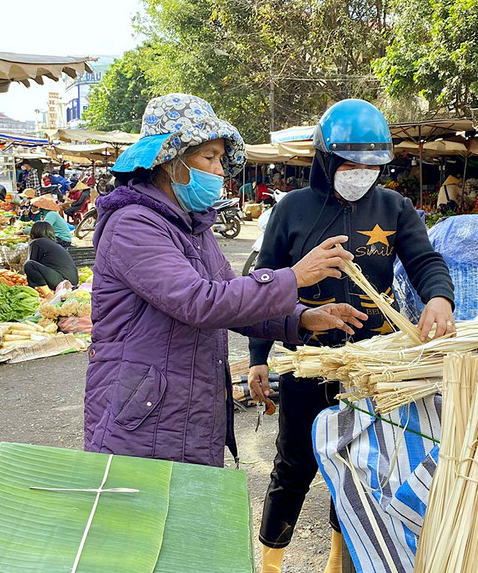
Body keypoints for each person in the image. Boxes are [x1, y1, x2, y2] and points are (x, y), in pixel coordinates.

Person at [248, 99, 455, 573]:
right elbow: (261, 287)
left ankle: (339, 563)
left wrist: (439, 299)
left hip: (372, 366)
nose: (361, 176)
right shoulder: (292, 210)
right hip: (307, 360)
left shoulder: (395, 210)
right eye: (349, 165)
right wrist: (257, 361)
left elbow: (427, 262)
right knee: (294, 465)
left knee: (358, 464)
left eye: (371, 166)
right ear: (324, 159)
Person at [83, 92, 366, 474]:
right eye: (208, 157)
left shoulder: (190, 224)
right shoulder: (134, 224)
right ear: (170, 160)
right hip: (145, 415)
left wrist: (301, 319)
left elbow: (231, 298)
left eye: (220, 159)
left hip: (186, 408)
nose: (219, 170)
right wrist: (294, 277)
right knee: (145, 525)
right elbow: (200, 302)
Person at [23, 221, 78, 295]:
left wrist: (30, 290)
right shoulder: (53, 244)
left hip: (62, 280)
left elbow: (31, 266)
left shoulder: (36, 242)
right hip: (72, 281)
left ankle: (48, 295)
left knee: (29, 264)